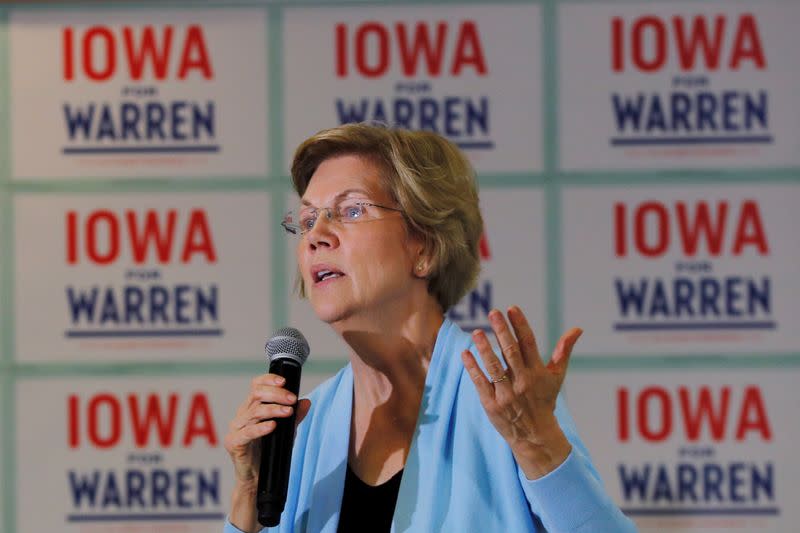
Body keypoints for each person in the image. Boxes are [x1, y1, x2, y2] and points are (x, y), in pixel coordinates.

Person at [223, 123, 637, 532]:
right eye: (309, 219)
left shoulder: (505, 404)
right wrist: (249, 498)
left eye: (352, 210)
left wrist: (540, 450)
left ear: (424, 246)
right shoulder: (304, 427)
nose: (316, 237)